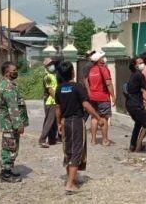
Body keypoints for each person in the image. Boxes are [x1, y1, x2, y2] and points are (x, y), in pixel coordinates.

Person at [55, 60, 104, 194]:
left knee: (68, 150)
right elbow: (86, 105)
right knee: (77, 150)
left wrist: (59, 123)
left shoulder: (59, 88)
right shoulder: (77, 87)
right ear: (72, 72)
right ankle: (70, 185)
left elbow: (58, 108)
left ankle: (72, 178)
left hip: (65, 122)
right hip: (76, 121)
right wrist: (98, 118)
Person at [0, 61, 29, 183]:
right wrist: (18, 124)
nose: (16, 72)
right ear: (7, 72)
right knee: (9, 147)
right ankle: (5, 173)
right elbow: (13, 107)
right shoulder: (7, 87)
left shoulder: (10, 85)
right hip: (10, 124)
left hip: (10, 124)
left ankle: (8, 170)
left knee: (12, 146)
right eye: (14, 70)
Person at [126, 56, 146, 153]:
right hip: (136, 105)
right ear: (134, 65)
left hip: (130, 104)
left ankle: (132, 145)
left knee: (138, 124)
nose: (142, 64)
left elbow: (137, 90)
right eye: (139, 63)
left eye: (142, 62)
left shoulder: (133, 74)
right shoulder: (139, 75)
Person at [84, 51, 115, 146]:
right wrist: (113, 96)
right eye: (103, 57)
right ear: (99, 60)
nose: (104, 58)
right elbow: (108, 83)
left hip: (92, 97)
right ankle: (105, 140)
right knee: (104, 118)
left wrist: (89, 92)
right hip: (103, 97)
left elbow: (85, 80)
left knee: (94, 117)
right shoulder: (104, 69)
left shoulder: (91, 69)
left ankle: (93, 140)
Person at [38, 58, 59, 148]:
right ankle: (42, 139)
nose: (52, 66)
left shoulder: (53, 75)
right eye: (50, 64)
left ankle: (52, 139)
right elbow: (50, 90)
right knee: (49, 121)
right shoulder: (47, 77)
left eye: (52, 64)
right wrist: (58, 99)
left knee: (53, 121)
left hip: (53, 101)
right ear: (46, 67)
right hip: (50, 101)